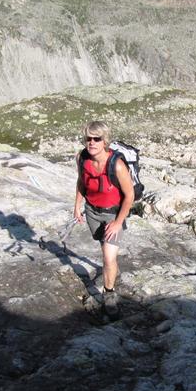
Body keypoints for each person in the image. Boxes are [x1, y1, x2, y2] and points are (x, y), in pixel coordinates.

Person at [74, 121, 134, 318]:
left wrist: (117, 222)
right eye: (88, 139)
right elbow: (81, 182)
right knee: (104, 249)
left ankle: (109, 294)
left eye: (96, 139)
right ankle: (109, 271)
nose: (91, 143)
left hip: (112, 214)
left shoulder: (116, 165)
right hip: (92, 211)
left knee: (109, 257)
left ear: (104, 141)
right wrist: (77, 205)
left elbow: (129, 195)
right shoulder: (82, 158)